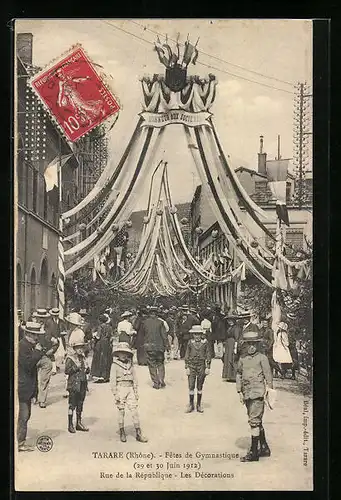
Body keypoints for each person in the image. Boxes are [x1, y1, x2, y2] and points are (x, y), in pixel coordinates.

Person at [236, 330, 273, 462]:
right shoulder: (242, 359)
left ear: (258, 345)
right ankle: (264, 447)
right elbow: (239, 374)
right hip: (247, 393)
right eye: (248, 344)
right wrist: (239, 391)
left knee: (254, 421)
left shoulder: (262, 358)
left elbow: (268, 376)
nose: (251, 347)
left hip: (258, 393)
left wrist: (269, 390)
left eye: (254, 344)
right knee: (255, 419)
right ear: (244, 345)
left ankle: (254, 452)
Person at [111, 342, 148, 443]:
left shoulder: (130, 365)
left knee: (134, 411)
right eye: (121, 353)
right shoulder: (115, 365)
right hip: (120, 388)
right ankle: (122, 431)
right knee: (121, 410)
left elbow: (134, 378)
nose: (123, 355)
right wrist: (115, 393)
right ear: (117, 354)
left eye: (125, 353)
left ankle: (138, 433)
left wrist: (135, 390)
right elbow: (112, 380)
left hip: (130, 388)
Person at [17, 322, 45, 451]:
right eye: (35, 335)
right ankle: (20, 443)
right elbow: (28, 365)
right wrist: (38, 352)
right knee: (24, 415)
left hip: (27, 386)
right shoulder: (23, 346)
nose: (37, 338)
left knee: (26, 415)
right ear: (28, 334)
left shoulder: (29, 345)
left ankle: (20, 441)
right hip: (23, 386)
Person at [65, 333, 90, 433]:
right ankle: (70, 424)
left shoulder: (83, 358)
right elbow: (67, 371)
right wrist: (76, 367)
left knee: (80, 403)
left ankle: (78, 423)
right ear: (74, 348)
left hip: (82, 384)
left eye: (82, 348)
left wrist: (87, 369)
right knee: (72, 404)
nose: (80, 350)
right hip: (74, 385)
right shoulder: (70, 358)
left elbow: (85, 370)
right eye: (78, 348)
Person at [35, 309, 59, 408]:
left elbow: (57, 342)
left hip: (45, 355)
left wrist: (52, 350)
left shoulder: (51, 328)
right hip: (34, 356)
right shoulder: (32, 327)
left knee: (44, 379)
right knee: (32, 377)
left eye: (43, 318)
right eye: (39, 318)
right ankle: (34, 396)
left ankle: (42, 400)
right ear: (36, 318)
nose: (41, 320)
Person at [184, 325, 211, 413]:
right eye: (195, 334)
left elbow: (208, 354)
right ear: (193, 335)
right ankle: (191, 404)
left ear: (201, 334)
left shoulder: (205, 343)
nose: (197, 336)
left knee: (200, 385)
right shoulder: (190, 342)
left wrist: (208, 367)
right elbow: (187, 355)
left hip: (201, 365)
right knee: (191, 385)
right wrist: (187, 366)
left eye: (199, 334)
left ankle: (198, 404)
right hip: (192, 365)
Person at [142, 306, 170, 389]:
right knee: (160, 363)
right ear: (156, 313)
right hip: (159, 347)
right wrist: (167, 345)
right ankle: (161, 379)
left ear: (149, 313)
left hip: (149, 346)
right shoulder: (160, 323)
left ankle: (156, 382)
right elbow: (164, 336)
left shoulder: (145, 322)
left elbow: (144, 334)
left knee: (151, 364)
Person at [91, 313, 113, 383]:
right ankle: (106, 375)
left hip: (100, 344)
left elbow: (98, 336)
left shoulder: (100, 327)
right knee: (107, 358)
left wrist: (94, 336)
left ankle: (100, 375)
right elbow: (111, 337)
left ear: (100, 320)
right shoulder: (109, 327)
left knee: (99, 359)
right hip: (107, 344)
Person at [45, 307, 68, 372]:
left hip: (60, 338)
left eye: (56, 315)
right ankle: (53, 368)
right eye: (54, 315)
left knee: (60, 354)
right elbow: (46, 331)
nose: (55, 316)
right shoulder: (48, 321)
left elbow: (64, 329)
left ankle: (57, 366)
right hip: (51, 339)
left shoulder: (61, 321)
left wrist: (63, 333)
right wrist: (50, 338)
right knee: (53, 353)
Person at [222, 316, 240, 382]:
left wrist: (235, 347)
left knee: (232, 359)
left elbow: (237, 338)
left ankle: (233, 376)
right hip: (228, 344)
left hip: (232, 344)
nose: (230, 322)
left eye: (231, 320)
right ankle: (228, 375)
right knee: (227, 358)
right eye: (229, 321)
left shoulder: (236, 328)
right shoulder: (229, 328)